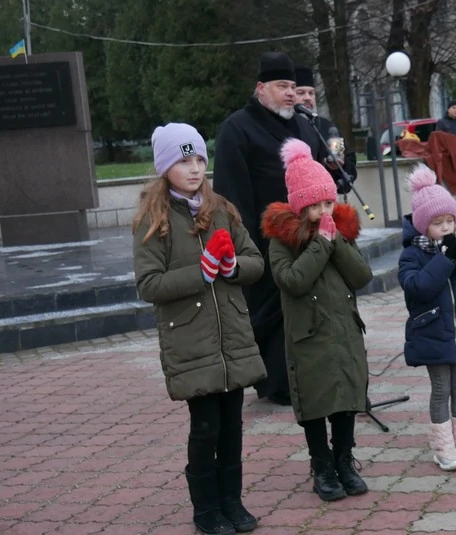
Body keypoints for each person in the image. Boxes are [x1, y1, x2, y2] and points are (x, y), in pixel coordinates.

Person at [133, 123, 267, 535]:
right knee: (205, 426)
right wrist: (201, 271)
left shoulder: (221, 209)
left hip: (233, 339)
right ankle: (206, 510)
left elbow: (256, 261)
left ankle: (232, 501)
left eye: (198, 160)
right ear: (165, 167)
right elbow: (149, 284)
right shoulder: (154, 219)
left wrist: (231, 267)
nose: (194, 169)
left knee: (232, 426)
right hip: (191, 342)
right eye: (183, 161)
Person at [213, 52, 331, 406]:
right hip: (262, 240)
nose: (291, 94)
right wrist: (243, 241)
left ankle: (313, 373)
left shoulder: (304, 126)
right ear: (261, 88)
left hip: (308, 236)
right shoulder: (237, 128)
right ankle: (278, 382)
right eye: (283, 86)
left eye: (294, 87)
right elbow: (230, 192)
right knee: (272, 314)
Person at [260, 138, 373, 502]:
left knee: (345, 399)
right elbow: (292, 281)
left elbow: (361, 276)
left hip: (343, 330)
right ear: (299, 206)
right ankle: (321, 466)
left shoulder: (339, 230)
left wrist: (336, 241)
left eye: (329, 202)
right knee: (315, 402)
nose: (326, 211)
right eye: (317, 205)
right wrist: (321, 245)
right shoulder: (282, 239)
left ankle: (344, 460)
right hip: (309, 335)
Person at [398, 163, 456, 471]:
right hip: (432, 332)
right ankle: (442, 445)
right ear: (425, 226)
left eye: (450, 221)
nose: (446, 228)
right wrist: (443, 260)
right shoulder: (412, 253)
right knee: (441, 389)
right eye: (438, 223)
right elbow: (418, 289)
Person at [292, 65, 358, 195]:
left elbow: (348, 170)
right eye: (300, 93)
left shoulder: (329, 128)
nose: (307, 98)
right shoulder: (285, 126)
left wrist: (339, 166)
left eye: (311, 93)